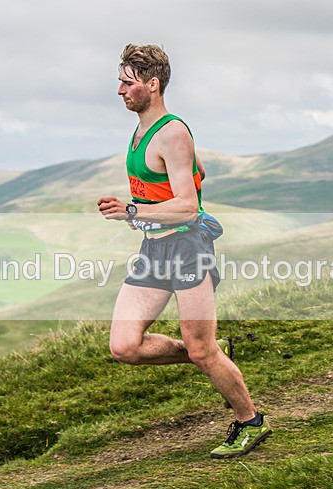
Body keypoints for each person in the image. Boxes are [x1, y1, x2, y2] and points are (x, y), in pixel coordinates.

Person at [97, 43, 271, 459]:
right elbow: (195, 174)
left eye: (127, 82)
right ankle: (208, 354)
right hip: (154, 250)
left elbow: (188, 205)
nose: (119, 90)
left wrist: (132, 209)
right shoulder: (142, 130)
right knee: (124, 346)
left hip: (189, 248)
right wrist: (146, 209)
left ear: (152, 85)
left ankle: (250, 422)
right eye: (119, 81)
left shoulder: (172, 131)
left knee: (200, 348)